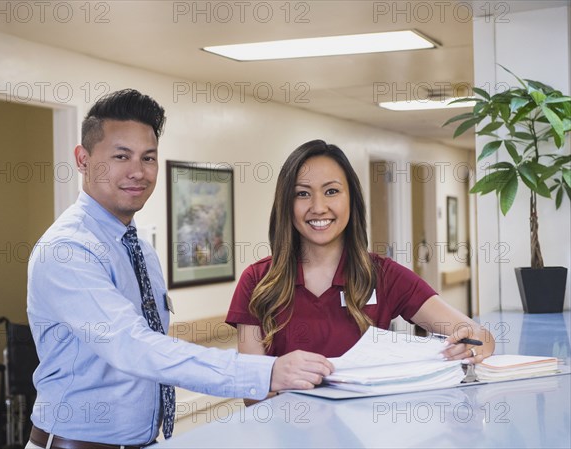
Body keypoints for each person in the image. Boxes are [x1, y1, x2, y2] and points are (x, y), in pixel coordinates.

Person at [26, 91, 333, 449]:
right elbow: (133, 346)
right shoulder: (67, 250)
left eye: (148, 157)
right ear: (82, 159)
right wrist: (265, 371)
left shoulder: (139, 249)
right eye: (121, 156)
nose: (138, 172)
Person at [226, 139, 495, 398]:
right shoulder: (258, 280)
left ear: (351, 199)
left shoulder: (384, 275)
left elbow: (480, 336)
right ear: (287, 203)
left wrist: (469, 345)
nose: (319, 207)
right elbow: (251, 394)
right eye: (302, 194)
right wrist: (278, 376)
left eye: (331, 191)